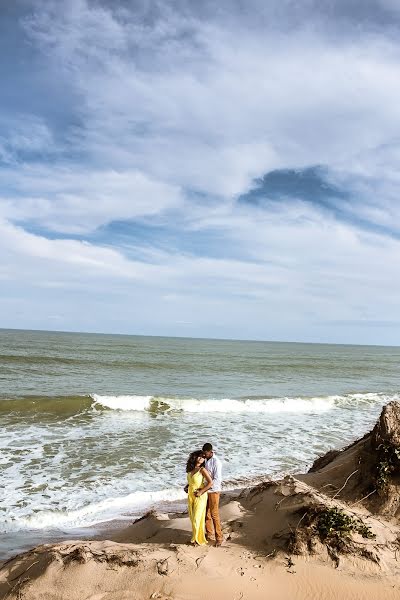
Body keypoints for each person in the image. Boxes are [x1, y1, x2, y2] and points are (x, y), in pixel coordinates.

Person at [186, 450, 213, 546]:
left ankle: (198, 540)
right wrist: (187, 487)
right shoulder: (191, 469)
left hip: (200, 496)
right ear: (195, 457)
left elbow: (210, 483)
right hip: (190, 496)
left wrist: (201, 492)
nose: (202, 458)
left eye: (203, 457)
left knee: (197, 519)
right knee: (192, 518)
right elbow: (191, 482)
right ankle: (195, 538)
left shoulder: (202, 470)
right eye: (200, 456)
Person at [202, 442, 223, 547]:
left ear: (211, 452)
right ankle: (209, 534)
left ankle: (219, 537)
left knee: (214, 514)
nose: (204, 454)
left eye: (206, 453)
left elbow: (217, 479)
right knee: (207, 513)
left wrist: (206, 488)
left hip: (214, 491)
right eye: (203, 453)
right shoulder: (205, 460)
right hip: (206, 490)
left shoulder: (216, 462)